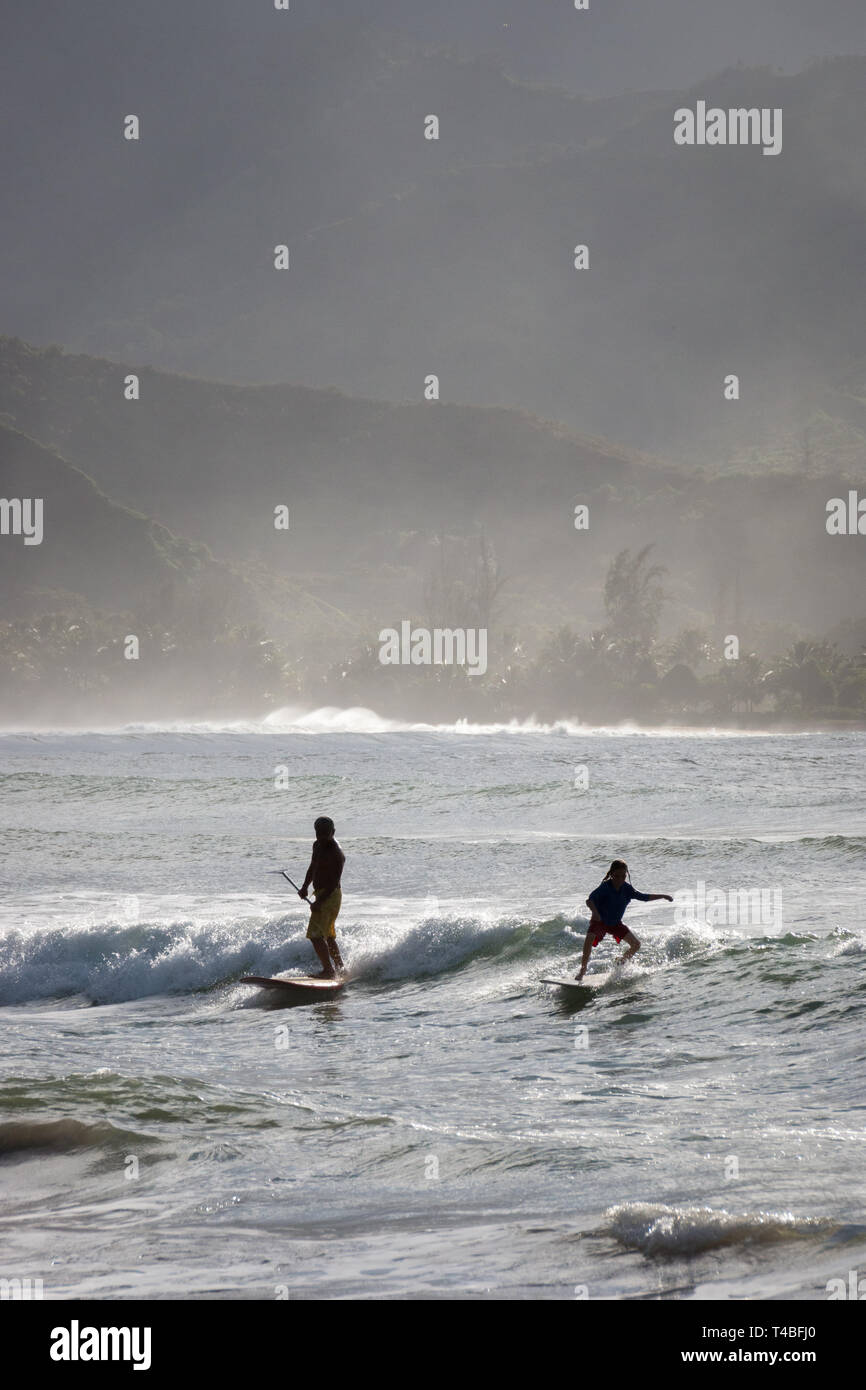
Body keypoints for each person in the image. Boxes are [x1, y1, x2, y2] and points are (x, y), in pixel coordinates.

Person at [575, 859, 672, 981]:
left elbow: (644, 897)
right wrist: (595, 913)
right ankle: (582, 971)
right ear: (611, 874)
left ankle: (620, 962)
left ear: (626, 875)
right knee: (588, 942)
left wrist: (663, 896)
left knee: (636, 945)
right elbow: (589, 900)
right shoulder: (605, 887)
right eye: (617, 876)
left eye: (623, 876)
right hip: (600, 922)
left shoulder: (627, 889)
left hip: (615, 924)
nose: (620, 879)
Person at [298, 816, 345, 978]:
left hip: (330, 896)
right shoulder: (317, 845)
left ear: (333, 832)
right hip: (322, 894)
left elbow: (333, 882)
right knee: (328, 935)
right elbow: (313, 866)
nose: (322, 837)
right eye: (319, 833)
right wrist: (305, 886)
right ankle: (340, 969)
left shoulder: (337, 853)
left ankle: (328, 971)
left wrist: (320, 901)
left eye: (326, 833)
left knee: (316, 936)